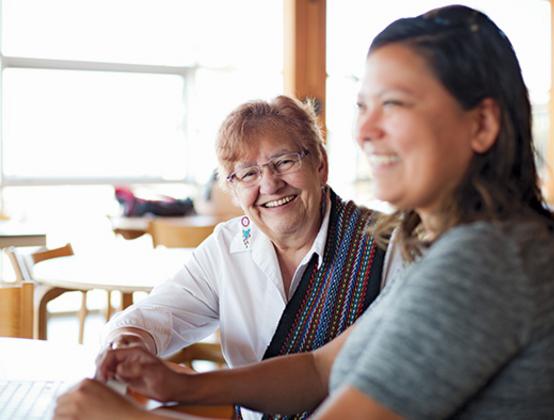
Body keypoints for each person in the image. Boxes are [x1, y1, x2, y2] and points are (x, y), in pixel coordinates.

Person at [55, 5, 554, 420]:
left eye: (396, 103)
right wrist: (182, 386)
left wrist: (118, 416)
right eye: (363, 106)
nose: (364, 130)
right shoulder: (450, 243)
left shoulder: (486, 263)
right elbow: (324, 367)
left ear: (481, 125)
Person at [95, 95, 391, 420]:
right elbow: (153, 316)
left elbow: (329, 373)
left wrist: (179, 385)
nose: (270, 184)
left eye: (284, 162)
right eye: (248, 174)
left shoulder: (384, 243)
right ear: (233, 190)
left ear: (320, 165)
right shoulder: (229, 244)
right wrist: (128, 341)